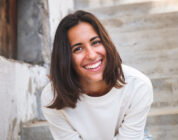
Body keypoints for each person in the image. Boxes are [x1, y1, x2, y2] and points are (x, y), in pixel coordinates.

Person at [41, 10, 153, 140]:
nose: (92, 55)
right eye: (78, 48)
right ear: (66, 58)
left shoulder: (138, 85)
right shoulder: (52, 97)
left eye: (95, 42)